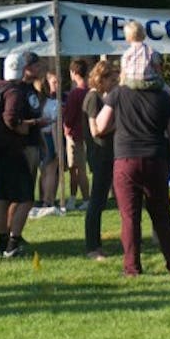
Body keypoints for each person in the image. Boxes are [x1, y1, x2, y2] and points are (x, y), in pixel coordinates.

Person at [95, 30, 170, 277]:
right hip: (157, 160)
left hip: (125, 160)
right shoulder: (164, 98)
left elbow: (101, 126)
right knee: (161, 215)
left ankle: (132, 268)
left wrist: (121, 123)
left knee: (129, 217)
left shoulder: (118, 94)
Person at [0, 51, 48, 258]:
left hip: (25, 145)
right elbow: (12, 119)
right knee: (22, 196)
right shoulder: (16, 91)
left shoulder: (20, 89)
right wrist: (30, 125)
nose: (38, 69)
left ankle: (11, 236)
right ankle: (11, 240)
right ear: (25, 68)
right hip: (19, 147)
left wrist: (40, 139)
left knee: (10, 196)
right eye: (35, 66)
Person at [83, 60, 118, 260]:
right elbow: (96, 129)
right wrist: (118, 125)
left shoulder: (100, 97)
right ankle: (92, 247)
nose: (114, 84)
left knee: (103, 200)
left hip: (108, 153)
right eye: (111, 80)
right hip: (100, 154)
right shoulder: (93, 98)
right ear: (101, 79)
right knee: (96, 202)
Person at [64, 59, 91, 210]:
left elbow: (69, 115)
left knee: (77, 168)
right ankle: (73, 198)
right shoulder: (90, 91)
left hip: (75, 134)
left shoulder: (76, 93)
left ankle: (85, 198)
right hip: (87, 133)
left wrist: (67, 131)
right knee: (76, 168)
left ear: (73, 73)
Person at [34, 70, 61, 216]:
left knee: (43, 172)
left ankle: (43, 198)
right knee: (51, 172)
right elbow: (57, 126)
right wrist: (58, 148)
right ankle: (48, 199)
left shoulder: (35, 105)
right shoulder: (54, 104)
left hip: (37, 139)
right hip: (49, 138)